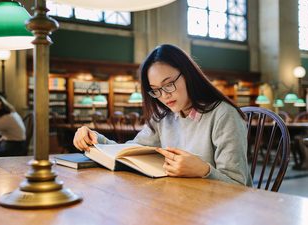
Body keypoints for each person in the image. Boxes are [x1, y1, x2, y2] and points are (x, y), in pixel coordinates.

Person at [73, 44, 252, 186]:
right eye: (156, 90)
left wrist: (204, 170)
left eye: (169, 84)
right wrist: (95, 139)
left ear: (188, 75)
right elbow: (130, 151)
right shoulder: (163, 117)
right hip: (183, 200)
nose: (164, 96)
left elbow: (238, 185)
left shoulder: (223, 115)